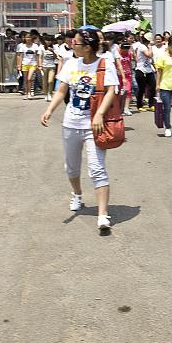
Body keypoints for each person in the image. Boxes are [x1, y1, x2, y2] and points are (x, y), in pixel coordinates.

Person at [40, 28, 120, 233]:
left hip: (95, 126)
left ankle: (103, 214)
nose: (71, 45)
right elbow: (61, 90)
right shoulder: (71, 63)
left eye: (75, 43)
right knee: (71, 168)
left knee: (97, 168)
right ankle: (77, 194)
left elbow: (111, 90)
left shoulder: (104, 63)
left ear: (87, 47)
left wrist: (100, 114)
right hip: (71, 123)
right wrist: (49, 110)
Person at [132, 32, 156, 112]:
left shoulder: (146, 46)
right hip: (141, 70)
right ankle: (139, 105)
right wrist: (150, 47)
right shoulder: (142, 46)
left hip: (148, 69)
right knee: (141, 88)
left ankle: (151, 104)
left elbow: (150, 58)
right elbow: (149, 55)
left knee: (152, 86)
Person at [16, 32, 42, 99]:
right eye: (27, 37)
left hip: (33, 64)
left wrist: (39, 64)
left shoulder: (35, 46)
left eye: (29, 37)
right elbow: (20, 56)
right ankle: (27, 93)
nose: (28, 39)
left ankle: (30, 92)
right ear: (25, 38)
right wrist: (19, 65)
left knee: (29, 78)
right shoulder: (22, 46)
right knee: (26, 80)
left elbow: (37, 55)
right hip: (25, 64)